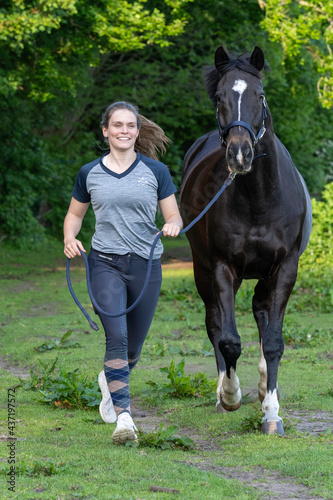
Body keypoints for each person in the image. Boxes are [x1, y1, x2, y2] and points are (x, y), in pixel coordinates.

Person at [64, 101, 183, 444]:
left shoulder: (156, 172)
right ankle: (125, 418)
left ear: (137, 131)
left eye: (130, 125)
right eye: (117, 125)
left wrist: (173, 225)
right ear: (106, 131)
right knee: (116, 337)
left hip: (145, 266)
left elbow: (173, 215)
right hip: (105, 263)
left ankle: (110, 380)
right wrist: (70, 237)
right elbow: (74, 216)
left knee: (133, 348)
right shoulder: (89, 173)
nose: (124, 131)